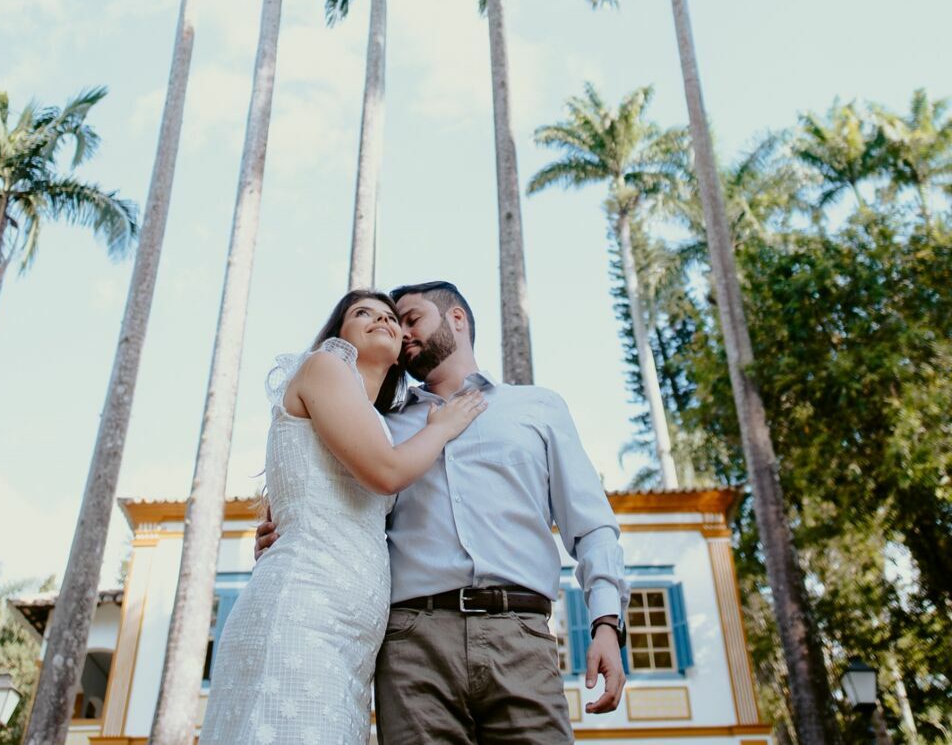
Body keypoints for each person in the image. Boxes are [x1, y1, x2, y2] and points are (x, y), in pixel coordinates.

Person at [257, 279, 629, 744]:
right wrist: (283, 532)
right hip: (411, 644)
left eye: (410, 319)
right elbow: (333, 500)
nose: (402, 332)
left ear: (457, 319)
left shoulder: (538, 408)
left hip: (521, 634)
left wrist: (606, 624)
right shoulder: (380, 427)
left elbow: (592, 527)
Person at [198, 288, 488, 745]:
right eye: (363, 313)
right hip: (302, 615)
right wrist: (443, 428)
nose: (383, 320)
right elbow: (386, 473)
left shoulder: (374, 422)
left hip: (351, 641)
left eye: (391, 317)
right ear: (339, 333)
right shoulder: (326, 366)